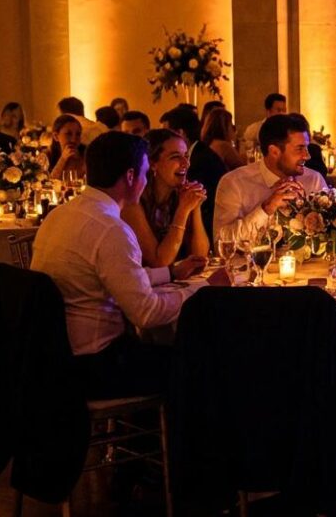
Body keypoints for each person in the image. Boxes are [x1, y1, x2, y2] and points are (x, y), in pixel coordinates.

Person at [31, 132, 209, 399]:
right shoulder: (112, 229)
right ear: (130, 176)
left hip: (53, 356)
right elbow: (146, 314)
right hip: (95, 365)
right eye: (145, 173)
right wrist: (204, 288)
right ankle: (181, 440)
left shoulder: (61, 214)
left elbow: (115, 276)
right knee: (202, 362)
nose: (146, 180)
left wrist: (170, 273)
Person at [214, 113, 327, 237]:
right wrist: (265, 209)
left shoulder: (313, 180)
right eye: (300, 149)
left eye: (306, 148)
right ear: (274, 151)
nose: (307, 156)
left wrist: (307, 210)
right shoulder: (234, 183)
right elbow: (221, 240)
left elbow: (329, 234)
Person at [121, 129, 210, 267]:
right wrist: (183, 210)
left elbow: (200, 257)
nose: (186, 163)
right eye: (175, 157)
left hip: (175, 284)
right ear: (153, 163)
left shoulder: (181, 195)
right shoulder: (132, 202)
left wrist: (195, 206)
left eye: (186, 156)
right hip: (144, 284)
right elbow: (159, 262)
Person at [162, 106, 228, 243]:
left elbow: (203, 205)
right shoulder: (199, 152)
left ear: (180, 133)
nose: (185, 163)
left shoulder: (201, 160)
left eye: (166, 133)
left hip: (214, 232)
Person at [48, 115, 86, 180]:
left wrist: (79, 161)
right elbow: (48, 184)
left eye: (78, 134)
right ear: (56, 136)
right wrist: (63, 159)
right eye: (68, 134)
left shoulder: (87, 155)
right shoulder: (48, 156)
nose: (73, 139)